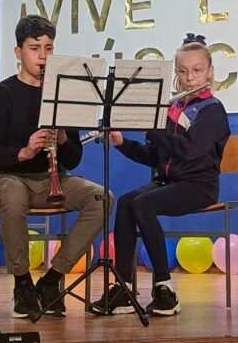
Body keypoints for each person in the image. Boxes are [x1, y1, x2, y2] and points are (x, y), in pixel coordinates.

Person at [90, 34, 230, 317]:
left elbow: (190, 152)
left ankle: (164, 289)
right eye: (183, 71)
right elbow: (156, 157)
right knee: (127, 202)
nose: (189, 78)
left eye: (197, 70)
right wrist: (122, 143)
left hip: (199, 187)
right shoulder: (174, 108)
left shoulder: (212, 110)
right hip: (169, 182)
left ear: (210, 72)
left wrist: (154, 128)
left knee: (143, 204)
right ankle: (125, 288)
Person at [0, 14, 110, 319]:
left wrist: (63, 139)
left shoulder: (63, 94)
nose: (42, 56)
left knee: (101, 198)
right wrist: (24, 151)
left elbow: (73, 159)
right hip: (7, 179)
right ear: (18, 52)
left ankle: (52, 280)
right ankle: (23, 283)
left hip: (50, 179)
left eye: (48, 49)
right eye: (34, 48)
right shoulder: (1, 95)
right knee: (14, 195)